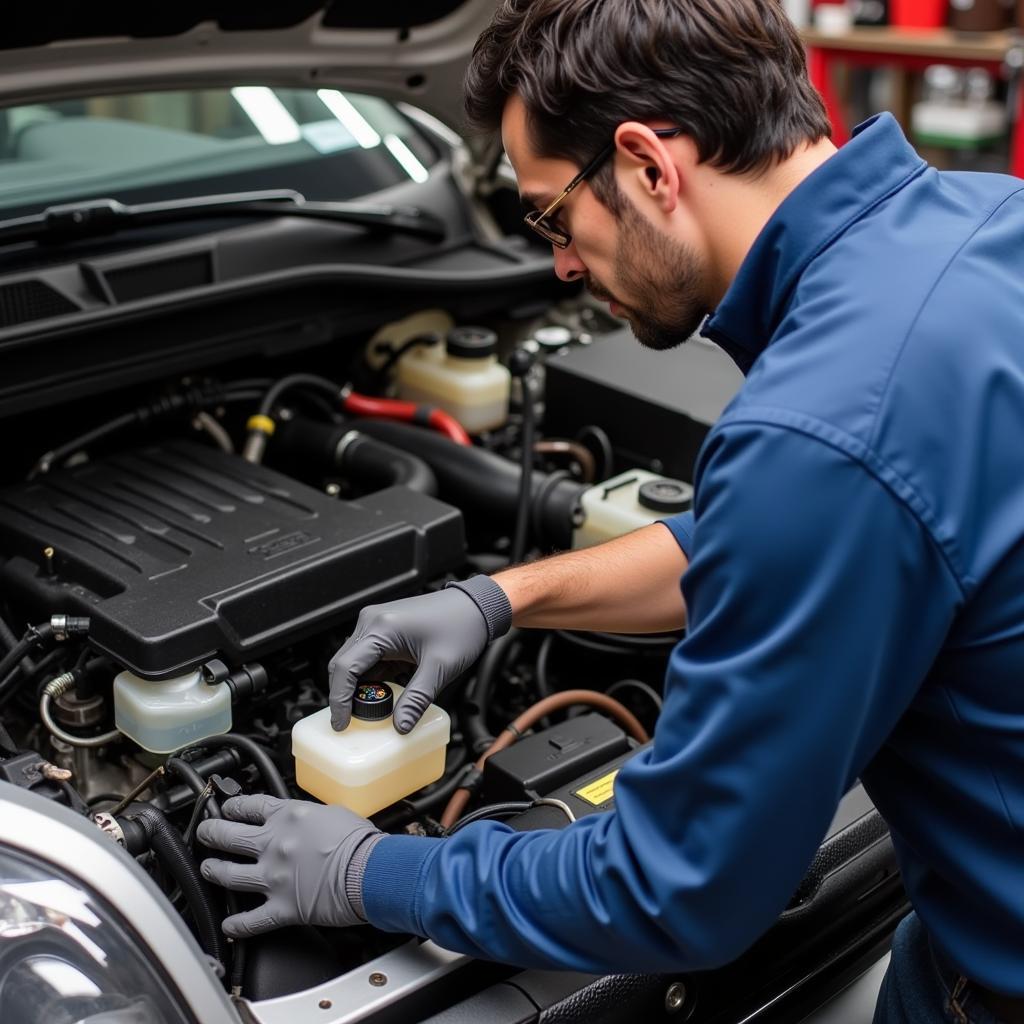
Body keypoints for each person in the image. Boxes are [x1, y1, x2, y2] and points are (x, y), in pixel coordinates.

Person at [198, 1, 1024, 1020]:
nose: (561, 267)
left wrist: (374, 871)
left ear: (645, 163)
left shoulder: (818, 434)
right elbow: (781, 544)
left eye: (553, 217)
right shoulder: (988, 220)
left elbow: (677, 889)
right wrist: (501, 597)